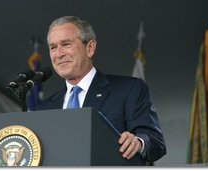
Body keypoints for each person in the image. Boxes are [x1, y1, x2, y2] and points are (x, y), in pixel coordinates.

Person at [36, 16, 166, 164]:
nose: (59, 54)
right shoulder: (43, 109)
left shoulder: (130, 89)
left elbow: (155, 142)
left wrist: (138, 142)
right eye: (53, 47)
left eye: (66, 44)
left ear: (90, 48)